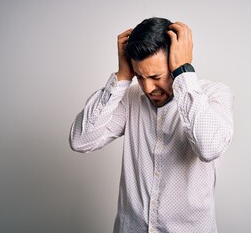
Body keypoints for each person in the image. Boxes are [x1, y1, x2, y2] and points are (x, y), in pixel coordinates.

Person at [69, 17, 234, 233]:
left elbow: (209, 148)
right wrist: (121, 77)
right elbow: (80, 141)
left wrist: (183, 72)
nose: (148, 88)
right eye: (140, 76)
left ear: (175, 62)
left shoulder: (214, 95)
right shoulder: (130, 99)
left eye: (156, 76)